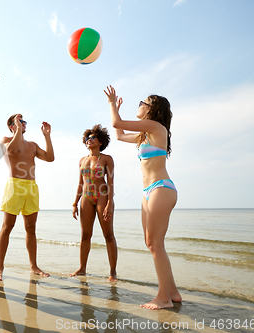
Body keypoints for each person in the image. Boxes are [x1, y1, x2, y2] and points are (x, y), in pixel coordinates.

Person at [104, 85, 181, 310]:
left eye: (143, 102)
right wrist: (116, 108)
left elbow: (117, 123)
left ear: (153, 109)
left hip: (161, 188)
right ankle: (173, 292)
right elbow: (118, 134)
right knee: (152, 244)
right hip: (148, 192)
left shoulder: (156, 126)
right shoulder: (145, 134)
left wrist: (111, 104)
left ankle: (163, 298)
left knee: (155, 244)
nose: (139, 105)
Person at [0, 114, 54, 281]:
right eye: (19, 122)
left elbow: (49, 157)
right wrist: (17, 130)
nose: (23, 124)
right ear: (12, 126)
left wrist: (47, 136)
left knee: (31, 228)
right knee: (7, 226)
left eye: (24, 122)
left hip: (31, 188)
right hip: (14, 186)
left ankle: (33, 266)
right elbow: (11, 150)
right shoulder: (6, 140)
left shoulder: (32, 145)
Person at [70, 124, 118, 281]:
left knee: (108, 235)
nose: (89, 140)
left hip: (102, 196)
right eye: (87, 138)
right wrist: (74, 203)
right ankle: (82, 269)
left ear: (101, 141)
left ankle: (112, 272)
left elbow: (110, 182)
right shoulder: (82, 160)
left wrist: (110, 203)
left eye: (92, 137)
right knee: (85, 235)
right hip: (86, 197)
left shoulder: (106, 159)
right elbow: (80, 183)